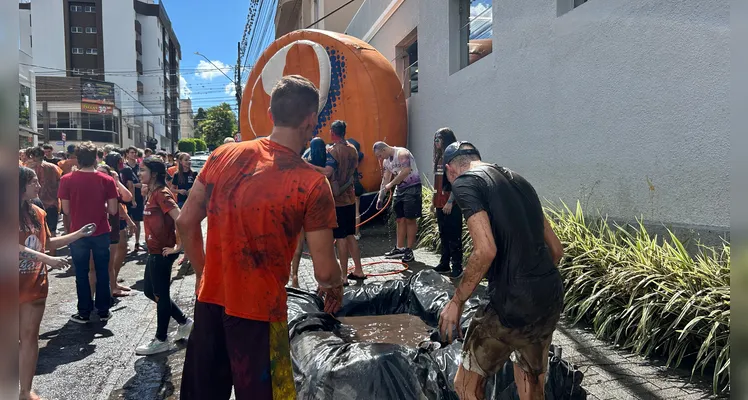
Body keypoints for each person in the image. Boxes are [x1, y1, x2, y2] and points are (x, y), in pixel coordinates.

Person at [177, 75, 343, 399]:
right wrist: (334, 286)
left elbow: (185, 222)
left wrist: (203, 275)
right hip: (261, 316)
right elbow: (324, 271)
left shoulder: (222, 155)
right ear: (311, 121)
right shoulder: (312, 183)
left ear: (270, 115)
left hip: (209, 304)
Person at [437, 142, 565, 400]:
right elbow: (556, 250)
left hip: (509, 304)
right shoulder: (520, 182)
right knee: (531, 381)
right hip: (548, 296)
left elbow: (485, 250)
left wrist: (456, 301)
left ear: (450, 170)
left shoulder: (465, 181)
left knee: (466, 385)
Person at [18, 166, 96, 400]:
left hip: (34, 284)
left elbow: (49, 243)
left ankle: (24, 391)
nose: (39, 185)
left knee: (30, 338)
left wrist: (79, 233)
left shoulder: (38, 213)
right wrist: (46, 259)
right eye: (33, 182)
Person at [134, 157, 194, 355]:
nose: (139, 173)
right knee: (151, 292)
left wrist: (179, 246)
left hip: (162, 252)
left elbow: (182, 219)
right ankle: (184, 322)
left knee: (160, 295)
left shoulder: (161, 194)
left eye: (143, 170)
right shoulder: (151, 193)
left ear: (154, 174)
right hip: (154, 251)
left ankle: (161, 339)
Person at [58, 141, 119, 323]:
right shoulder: (107, 180)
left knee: (81, 273)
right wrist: (101, 206)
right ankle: (103, 310)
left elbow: (66, 210)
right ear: (96, 159)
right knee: (102, 271)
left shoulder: (66, 179)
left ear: (77, 158)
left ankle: (84, 311)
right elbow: (114, 210)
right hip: (100, 231)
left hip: (77, 233)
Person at [323, 120, 365, 282]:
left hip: (338, 199)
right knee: (350, 235)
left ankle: (343, 276)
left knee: (340, 237)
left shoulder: (333, 151)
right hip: (350, 197)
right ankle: (359, 270)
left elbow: (328, 172)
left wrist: (308, 167)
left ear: (333, 132)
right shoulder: (353, 149)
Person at [373, 141, 422, 263]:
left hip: (412, 187)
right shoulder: (386, 161)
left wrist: (391, 184)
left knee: (410, 219)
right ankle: (400, 248)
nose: (379, 158)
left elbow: (406, 170)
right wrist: (380, 197)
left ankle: (409, 250)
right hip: (399, 190)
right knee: (399, 219)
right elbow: (385, 179)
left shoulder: (402, 153)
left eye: (379, 155)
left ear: (384, 149)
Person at [289, 137, 328, 288]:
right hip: (317, 206)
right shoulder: (324, 160)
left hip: (299, 204)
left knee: (298, 246)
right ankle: (321, 281)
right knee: (318, 247)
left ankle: (295, 277)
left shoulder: (302, 162)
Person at [95, 163, 134, 298]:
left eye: (103, 173)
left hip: (114, 227)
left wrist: (116, 181)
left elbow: (126, 199)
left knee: (111, 262)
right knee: (106, 263)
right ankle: (110, 289)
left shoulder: (111, 187)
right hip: (102, 229)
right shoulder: (93, 188)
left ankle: (113, 285)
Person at [432, 128, 464, 278]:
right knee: (443, 233)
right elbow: (437, 182)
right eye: (435, 139)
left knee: (454, 235)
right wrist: (434, 201)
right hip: (439, 203)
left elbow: (458, 182)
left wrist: (450, 201)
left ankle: (457, 266)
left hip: (451, 204)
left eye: (438, 138)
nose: (436, 142)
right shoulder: (439, 158)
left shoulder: (453, 157)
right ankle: (444, 262)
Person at [25, 147, 63, 255]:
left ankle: (40, 256)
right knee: (52, 230)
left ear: (32, 156)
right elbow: (60, 184)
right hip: (52, 203)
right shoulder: (54, 167)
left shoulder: (27, 169)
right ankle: (52, 254)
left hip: (33, 204)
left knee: (34, 232)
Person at [121, 146, 146, 251]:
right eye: (131, 152)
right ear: (127, 154)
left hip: (139, 196)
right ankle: (125, 243)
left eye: (135, 152)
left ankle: (136, 243)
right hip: (127, 197)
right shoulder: (124, 167)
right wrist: (134, 185)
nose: (134, 154)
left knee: (137, 221)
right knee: (126, 219)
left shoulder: (139, 167)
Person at [346, 138, 365, 239]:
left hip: (348, 186)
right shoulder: (357, 156)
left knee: (347, 211)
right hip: (357, 184)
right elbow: (361, 154)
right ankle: (357, 233)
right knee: (356, 210)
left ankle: (347, 233)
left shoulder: (343, 156)